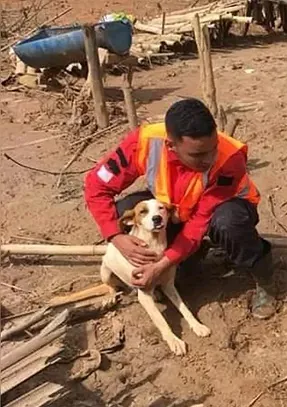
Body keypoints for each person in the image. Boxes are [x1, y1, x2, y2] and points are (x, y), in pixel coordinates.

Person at [83, 98, 276, 319]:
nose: (210, 158)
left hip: (225, 209)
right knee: (124, 212)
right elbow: (97, 186)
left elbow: (200, 220)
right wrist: (115, 236)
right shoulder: (145, 142)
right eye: (198, 155)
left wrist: (163, 265)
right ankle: (187, 260)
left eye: (213, 149)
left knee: (228, 223)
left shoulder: (230, 159)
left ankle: (265, 279)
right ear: (171, 145)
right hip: (175, 210)